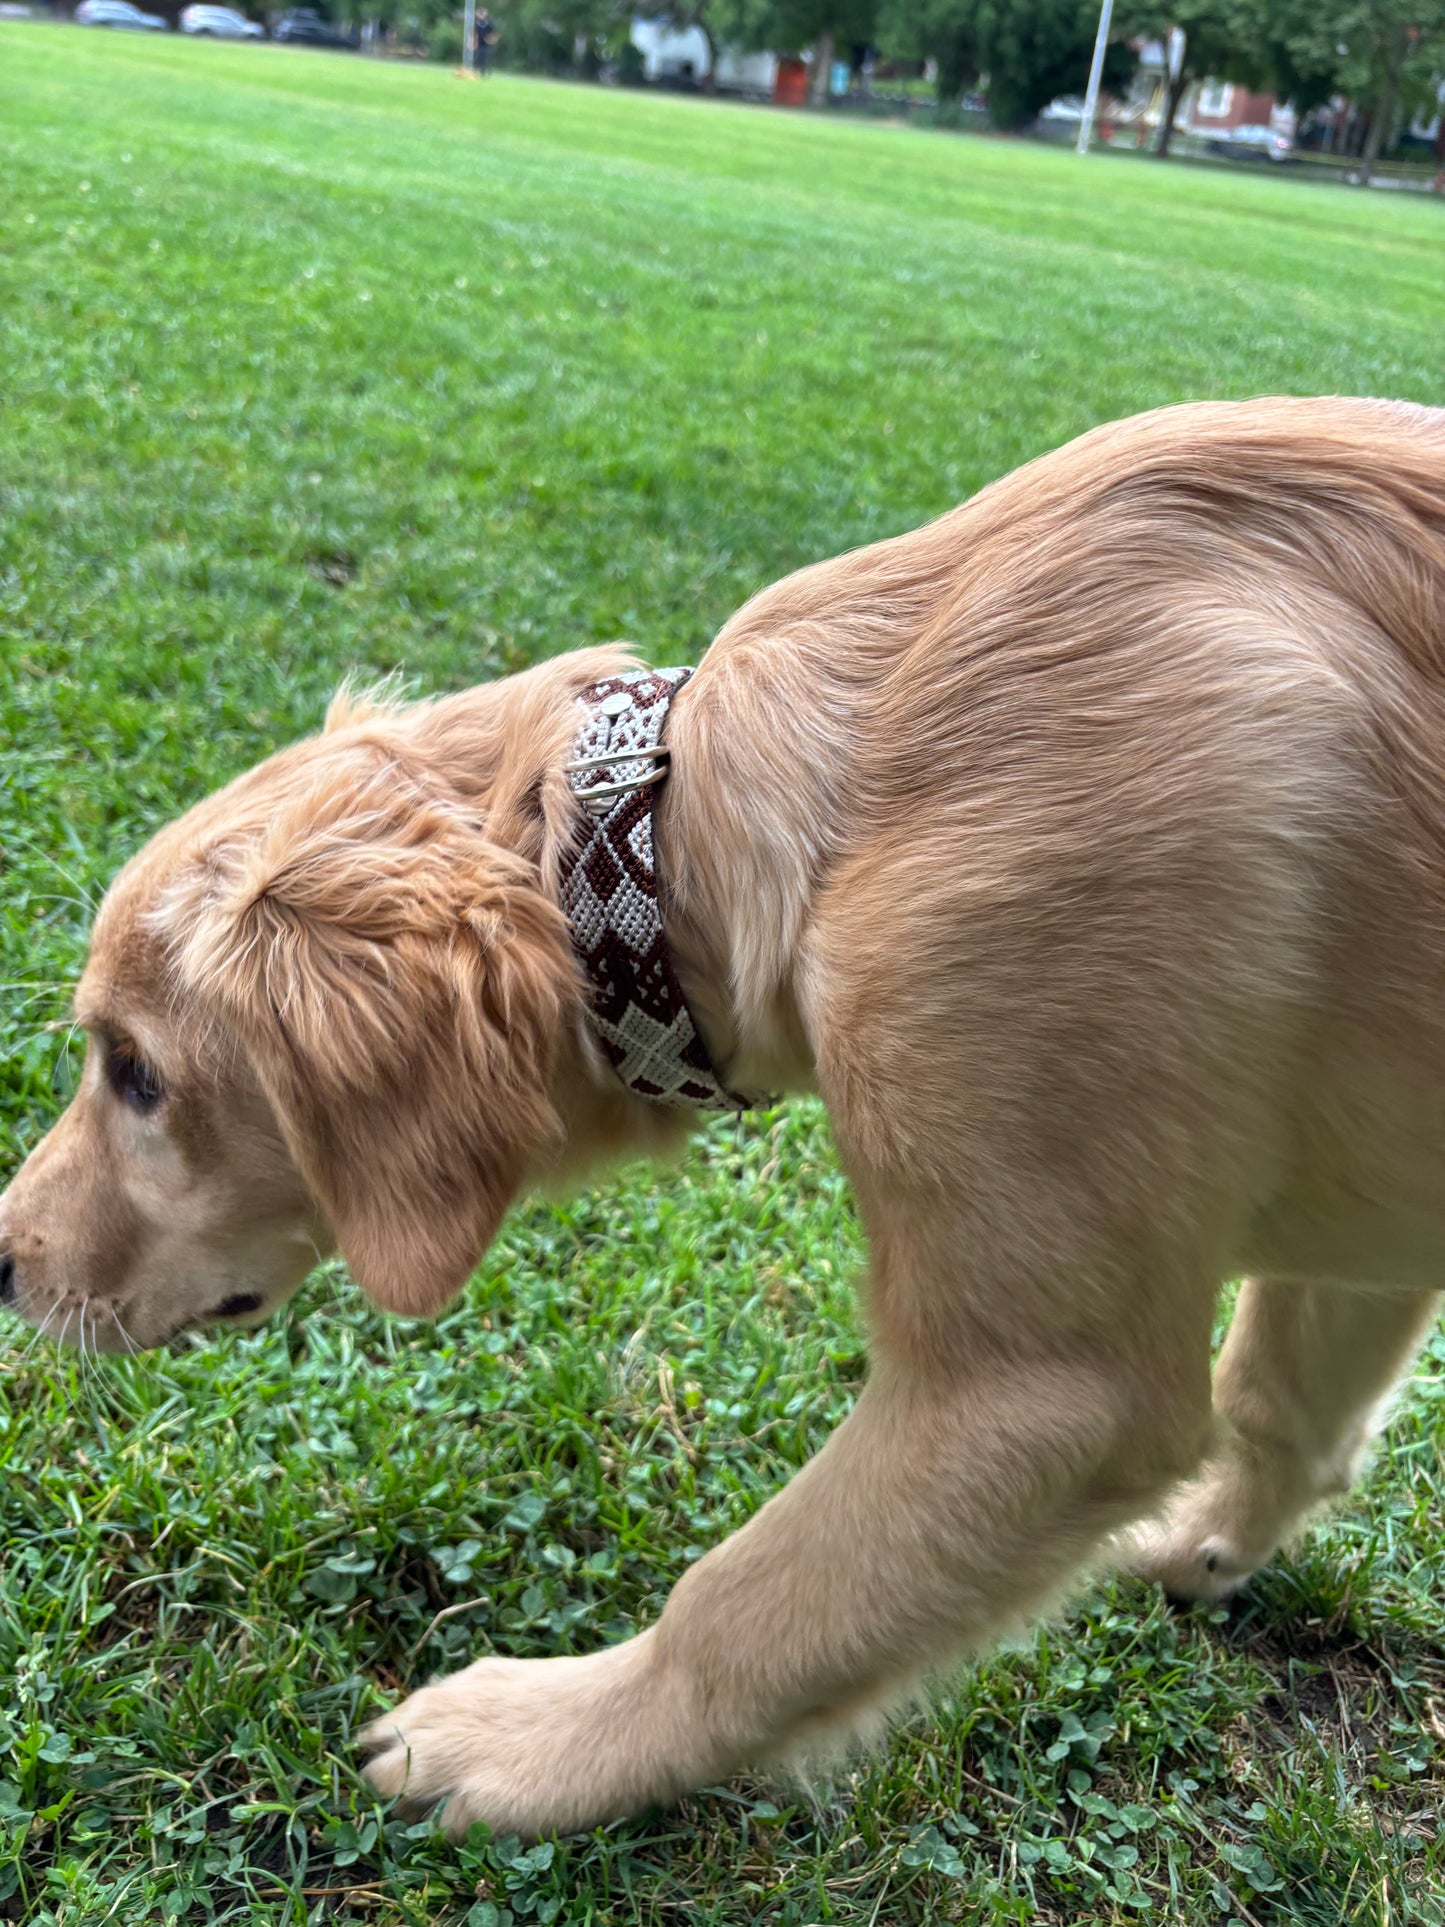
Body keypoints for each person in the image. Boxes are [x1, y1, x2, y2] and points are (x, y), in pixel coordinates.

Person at [473, 7, 497, 74]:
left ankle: (485, 71)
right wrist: (475, 43)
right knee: (477, 58)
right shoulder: (477, 24)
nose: (481, 16)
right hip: (479, 44)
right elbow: (475, 34)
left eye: (482, 14)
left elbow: (493, 33)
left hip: (486, 44)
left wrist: (491, 40)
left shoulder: (488, 24)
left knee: (485, 58)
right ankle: (478, 70)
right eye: (480, 14)